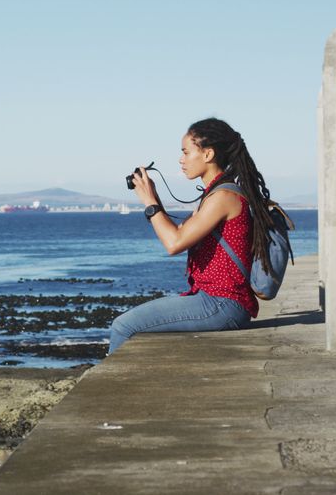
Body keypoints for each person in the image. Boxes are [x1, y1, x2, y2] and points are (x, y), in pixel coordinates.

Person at [108, 118, 277, 354]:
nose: (181, 159)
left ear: (207, 154)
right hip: (216, 300)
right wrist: (154, 197)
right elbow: (179, 234)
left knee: (123, 325)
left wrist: (148, 201)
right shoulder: (215, 194)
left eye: (186, 152)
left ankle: (118, 389)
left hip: (222, 303)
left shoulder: (224, 197)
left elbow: (173, 244)